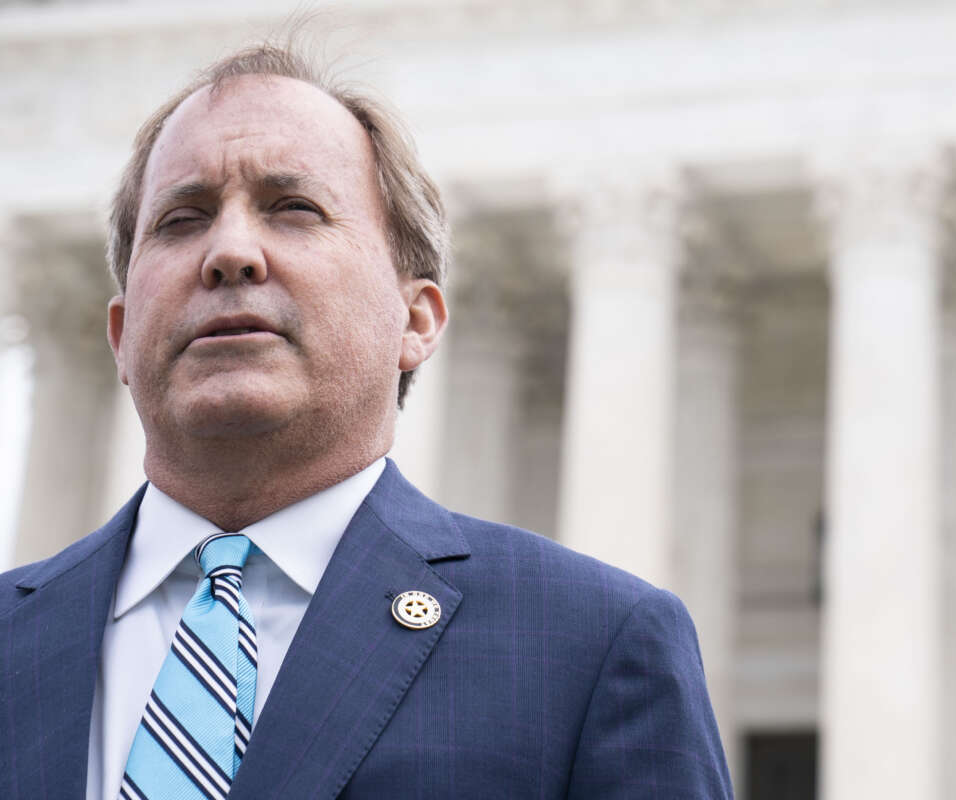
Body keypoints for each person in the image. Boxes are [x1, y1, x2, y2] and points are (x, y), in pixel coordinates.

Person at [0, 43, 732, 799]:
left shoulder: (591, 647)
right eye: (182, 220)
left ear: (415, 319)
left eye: (295, 208)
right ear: (119, 335)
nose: (230, 252)